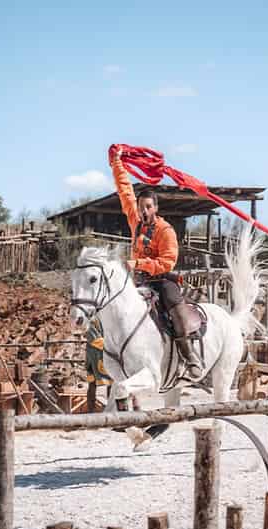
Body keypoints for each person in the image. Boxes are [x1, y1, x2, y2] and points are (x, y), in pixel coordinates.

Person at [109, 147, 204, 379]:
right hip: (140, 281)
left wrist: (140, 262)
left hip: (162, 280)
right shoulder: (135, 221)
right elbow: (125, 191)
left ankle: (189, 354)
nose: (143, 210)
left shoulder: (165, 230)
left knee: (174, 305)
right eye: (141, 206)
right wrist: (117, 164)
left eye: (148, 207)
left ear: (156, 208)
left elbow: (168, 261)